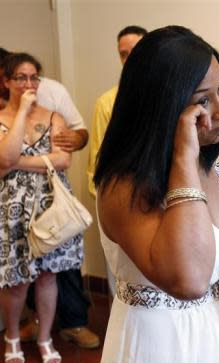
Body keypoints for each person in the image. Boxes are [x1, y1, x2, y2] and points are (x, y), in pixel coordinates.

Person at [95, 26, 219, 363]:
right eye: (203, 100)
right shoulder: (123, 187)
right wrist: (183, 154)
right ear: (162, 105)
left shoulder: (216, 169)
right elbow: (189, 279)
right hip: (161, 350)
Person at [0, 47, 100, 349]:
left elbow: (67, 151)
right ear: (7, 82)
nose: (28, 84)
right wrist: (13, 131)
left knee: (53, 273)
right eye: (20, 78)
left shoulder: (54, 95)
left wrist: (12, 162)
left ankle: (66, 328)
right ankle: (16, 334)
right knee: (18, 279)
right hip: (11, 208)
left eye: (33, 77)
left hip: (49, 203)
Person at [87, 25, 147, 296]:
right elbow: (98, 162)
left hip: (164, 196)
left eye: (135, 51)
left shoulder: (175, 94)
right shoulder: (107, 103)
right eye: (123, 54)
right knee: (122, 276)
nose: (129, 59)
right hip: (124, 199)